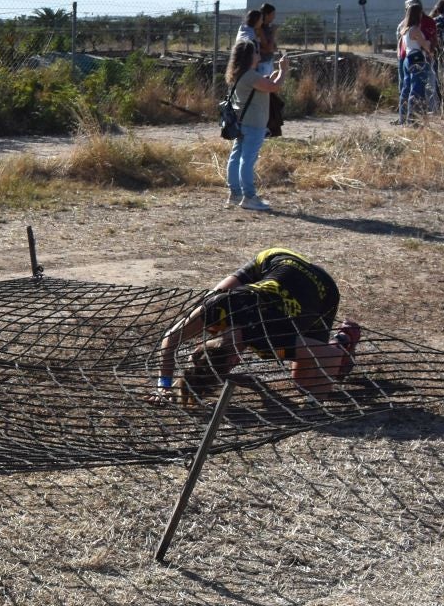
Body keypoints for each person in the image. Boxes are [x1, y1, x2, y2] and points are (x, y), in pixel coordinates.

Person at [151, 249, 361, 403]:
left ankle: (344, 339)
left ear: (235, 358)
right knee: (212, 297)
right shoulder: (218, 307)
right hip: (279, 259)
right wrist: (164, 385)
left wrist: (315, 405)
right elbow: (170, 339)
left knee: (304, 384)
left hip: (322, 287)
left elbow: (329, 357)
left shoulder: (267, 340)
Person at [224, 38, 284, 211]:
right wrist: (283, 71)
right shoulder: (251, 76)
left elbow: (264, 85)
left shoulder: (238, 74)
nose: (259, 54)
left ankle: (235, 194)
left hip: (241, 122)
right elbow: (273, 87)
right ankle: (249, 197)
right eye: (256, 52)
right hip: (254, 123)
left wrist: (271, 78)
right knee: (247, 160)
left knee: (236, 158)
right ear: (249, 56)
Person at [395, 0, 432, 126]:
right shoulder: (415, 29)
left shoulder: (405, 29)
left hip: (407, 58)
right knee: (417, 89)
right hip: (417, 57)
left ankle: (403, 117)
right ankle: (413, 119)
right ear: (418, 14)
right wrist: (428, 44)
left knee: (406, 88)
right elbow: (425, 45)